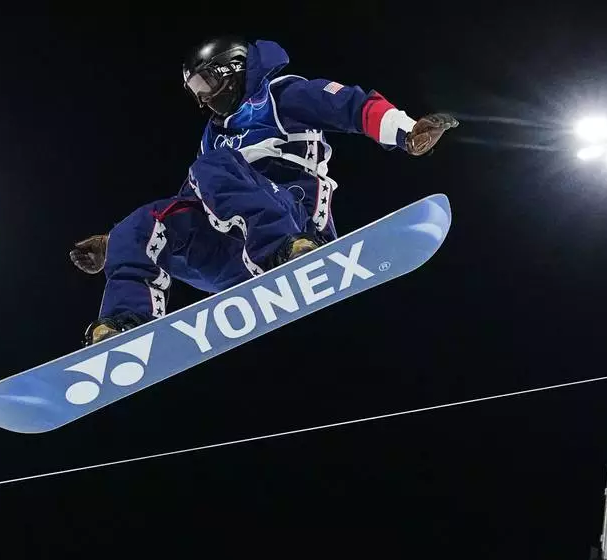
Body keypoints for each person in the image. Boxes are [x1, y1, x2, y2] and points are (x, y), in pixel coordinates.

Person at [69, 37, 456, 344]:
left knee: (213, 167)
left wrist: (406, 131)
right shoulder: (213, 140)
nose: (203, 99)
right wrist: (115, 242)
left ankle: (286, 250)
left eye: (205, 83)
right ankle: (123, 325)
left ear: (231, 71)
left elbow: (352, 106)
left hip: (294, 219)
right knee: (145, 221)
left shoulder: (282, 96)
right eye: (194, 91)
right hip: (232, 253)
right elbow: (186, 207)